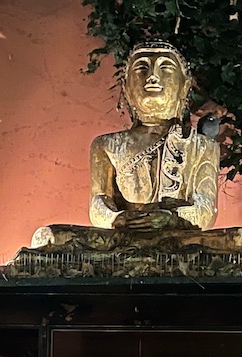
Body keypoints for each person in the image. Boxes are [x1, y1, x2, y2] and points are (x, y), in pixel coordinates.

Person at [89, 41, 219, 233]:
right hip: (125, 235)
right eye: (142, 67)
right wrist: (117, 218)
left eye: (165, 67)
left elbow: (206, 208)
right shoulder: (106, 145)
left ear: (184, 86)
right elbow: (98, 203)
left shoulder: (201, 146)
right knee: (47, 236)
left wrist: (173, 218)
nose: (152, 77)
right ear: (126, 88)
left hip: (180, 236)